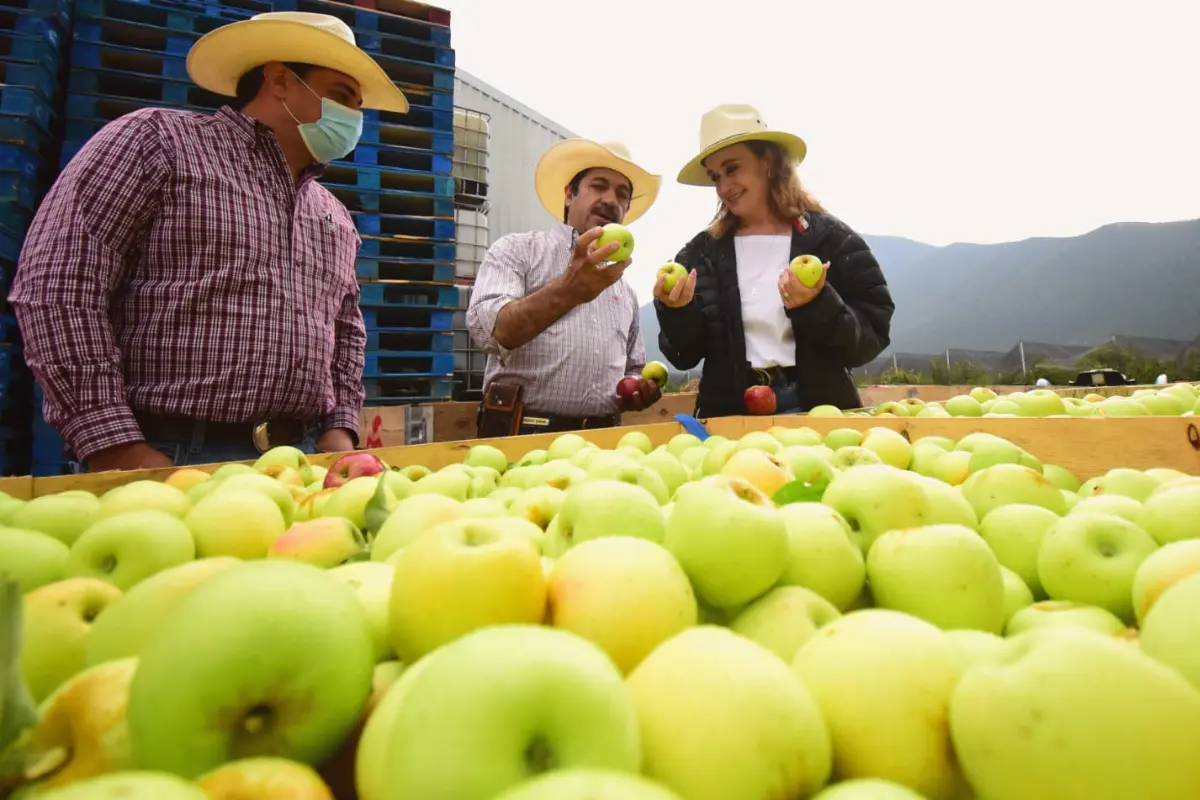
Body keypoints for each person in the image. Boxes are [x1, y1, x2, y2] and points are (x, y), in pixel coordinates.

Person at [9, 12, 409, 472]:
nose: (353, 119)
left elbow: (346, 330)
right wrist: (113, 443)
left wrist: (339, 426)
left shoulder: (333, 214)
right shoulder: (157, 142)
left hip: (294, 458)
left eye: (357, 107)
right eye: (341, 97)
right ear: (279, 79)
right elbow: (59, 280)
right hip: (167, 449)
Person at [653, 104, 894, 417]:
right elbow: (683, 356)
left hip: (818, 408)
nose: (724, 187)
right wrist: (676, 311)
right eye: (715, 177)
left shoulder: (831, 240)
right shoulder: (701, 254)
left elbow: (872, 336)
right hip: (731, 412)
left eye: (732, 168)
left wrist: (817, 305)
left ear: (767, 161)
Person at [467, 139, 663, 436]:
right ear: (569, 194)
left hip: (603, 441)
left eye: (622, 195)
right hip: (521, 435)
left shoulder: (625, 292)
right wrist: (569, 291)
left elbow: (632, 372)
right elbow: (493, 332)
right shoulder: (518, 251)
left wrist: (636, 391)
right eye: (599, 186)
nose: (612, 200)